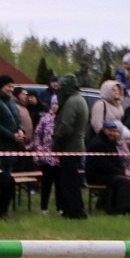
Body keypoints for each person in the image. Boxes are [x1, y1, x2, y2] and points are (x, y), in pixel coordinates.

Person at [85, 120, 130, 214]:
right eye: (109, 130)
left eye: (114, 131)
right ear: (104, 130)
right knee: (123, 181)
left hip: (111, 173)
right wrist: (121, 172)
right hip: (97, 176)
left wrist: (123, 170)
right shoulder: (98, 144)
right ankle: (120, 210)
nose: (112, 133)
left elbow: (116, 161)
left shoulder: (111, 142)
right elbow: (103, 165)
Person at [52, 74, 89, 219]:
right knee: (72, 180)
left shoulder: (72, 102)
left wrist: (56, 142)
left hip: (70, 147)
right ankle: (72, 210)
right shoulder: (80, 99)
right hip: (77, 146)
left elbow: (66, 127)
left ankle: (74, 211)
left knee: (69, 182)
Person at [28, 95, 60, 215]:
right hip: (46, 158)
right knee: (46, 183)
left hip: (59, 157)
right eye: (54, 103)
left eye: (58, 103)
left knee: (59, 184)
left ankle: (60, 208)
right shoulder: (45, 118)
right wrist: (40, 151)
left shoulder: (63, 118)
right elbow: (37, 135)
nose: (55, 106)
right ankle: (44, 208)